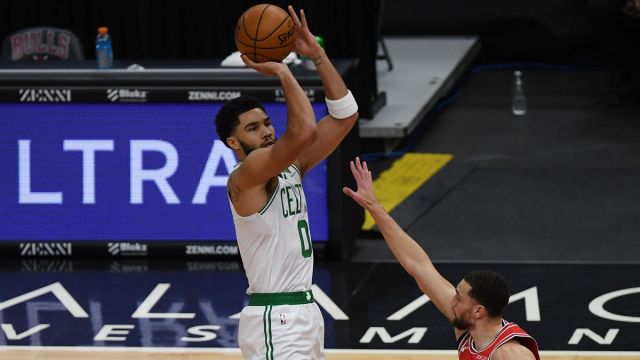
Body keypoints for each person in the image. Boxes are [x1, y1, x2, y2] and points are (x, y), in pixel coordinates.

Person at [214, 6, 358, 359]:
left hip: (304, 312)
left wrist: (317, 55)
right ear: (233, 143)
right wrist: (283, 70)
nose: (266, 131)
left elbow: (345, 114)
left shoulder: (292, 165)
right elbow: (306, 129)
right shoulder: (245, 177)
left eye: (266, 123)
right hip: (274, 318)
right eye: (253, 128)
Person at [343, 157, 540, 360]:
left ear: (478, 311)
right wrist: (373, 206)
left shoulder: (511, 354)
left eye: (458, 298)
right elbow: (418, 265)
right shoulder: (469, 328)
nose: (451, 301)